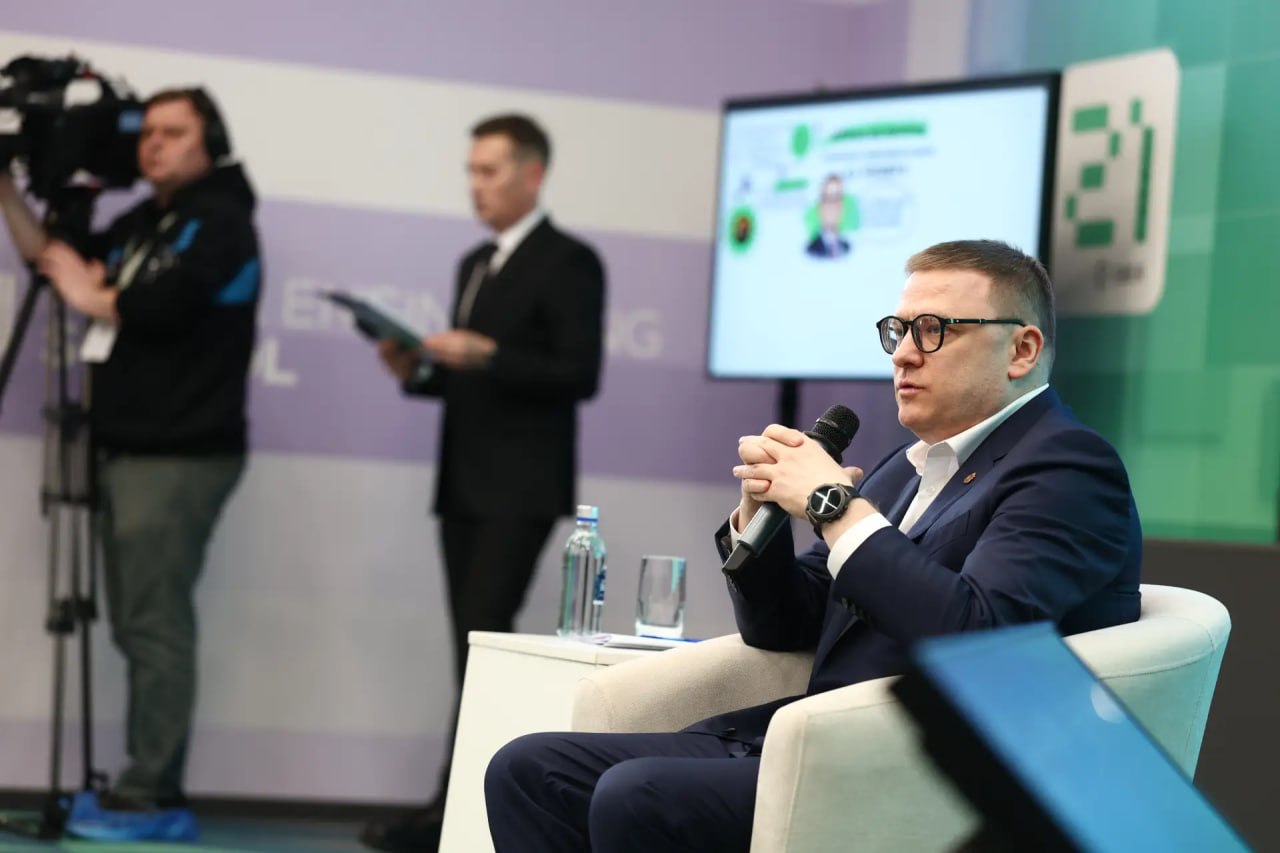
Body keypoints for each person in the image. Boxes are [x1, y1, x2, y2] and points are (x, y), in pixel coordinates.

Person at [484, 239, 1142, 852]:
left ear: (1021, 350)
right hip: (807, 738)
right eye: (898, 330)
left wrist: (834, 506)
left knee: (638, 794)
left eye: (934, 329)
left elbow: (977, 634)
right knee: (529, 770)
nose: (904, 354)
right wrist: (760, 519)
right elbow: (785, 626)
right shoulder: (903, 469)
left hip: (922, 772)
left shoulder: (1066, 467)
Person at [0, 88, 260, 810]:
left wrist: (92, 296)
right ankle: (144, 785)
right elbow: (54, 259)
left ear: (211, 142)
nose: (154, 144)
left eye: (173, 132)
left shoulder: (223, 222)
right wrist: (7, 190)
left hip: (180, 454)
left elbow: (165, 304)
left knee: (153, 625)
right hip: (127, 448)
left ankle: (153, 794)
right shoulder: (147, 219)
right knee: (135, 622)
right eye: (147, 132)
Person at [361, 114, 606, 853]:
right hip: (463, 484)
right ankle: (454, 808)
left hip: (520, 487)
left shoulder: (571, 261)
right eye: (471, 170)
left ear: (533, 174)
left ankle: (457, 813)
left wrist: (488, 353)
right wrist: (418, 372)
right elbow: (466, 380)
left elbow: (578, 373)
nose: (476, 185)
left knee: (483, 643)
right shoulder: (474, 261)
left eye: (489, 171)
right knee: (466, 648)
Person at [806, 173, 851, 259]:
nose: (833, 206)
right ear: (819, 206)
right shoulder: (812, 249)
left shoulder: (847, 247)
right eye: (828, 199)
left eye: (837, 198)